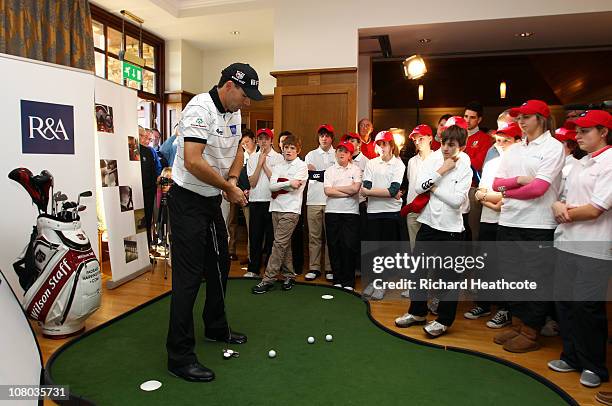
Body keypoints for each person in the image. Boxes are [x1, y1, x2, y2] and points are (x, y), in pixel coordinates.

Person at [166, 62, 262, 382]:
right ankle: (179, 356)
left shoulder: (233, 112)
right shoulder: (199, 108)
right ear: (229, 86)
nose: (247, 102)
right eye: (245, 94)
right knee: (189, 278)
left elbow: (237, 149)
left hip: (210, 200)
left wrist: (232, 178)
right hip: (187, 202)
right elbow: (193, 161)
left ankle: (216, 327)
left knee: (220, 264)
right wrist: (228, 189)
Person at [491, 99, 564, 353]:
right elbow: (496, 184)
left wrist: (509, 191)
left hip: (538, 224)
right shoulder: (514, 150)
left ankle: (531, 332)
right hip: (509, 220)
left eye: (526, 117)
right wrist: (519, 181)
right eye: (518, 117)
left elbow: (539, 188)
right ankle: (519, 324)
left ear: (541, 119)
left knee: (535, 279)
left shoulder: (554, 147)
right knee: (511, 277)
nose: (520, 121)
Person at [548, 110, 612, 388]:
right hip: (566, 242)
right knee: (565, 303)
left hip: (594, 246)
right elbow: (558, 199)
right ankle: (571, 357)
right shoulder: (578, 163)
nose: (578, 136)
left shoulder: (610, 161)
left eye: (585, 131)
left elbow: (597, 208)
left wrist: (565, 212)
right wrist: (559, 207)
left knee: (587, 307)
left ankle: (594, 366)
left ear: (604, 132)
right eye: (577, 131)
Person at [394, 117, 472, 338]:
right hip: (428, 224)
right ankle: (417, 312)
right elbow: (419, 187)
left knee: (449, 278)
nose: (446, 148)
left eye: (452, 145)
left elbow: (458, 201)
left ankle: (444, 321)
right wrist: (441, 170)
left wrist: (435, 188)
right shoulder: (435, 158)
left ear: (461, 146)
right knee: (417, 271)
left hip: (452, 230)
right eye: (444, 143)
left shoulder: (465, 163)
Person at [463, 121, 522, 328]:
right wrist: (489, 198)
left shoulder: (518, 163)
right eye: (499, 139)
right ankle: (483, 303)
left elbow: (506, 197)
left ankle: (506, 309)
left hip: (506, 221)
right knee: (486, 263)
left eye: (506, 140)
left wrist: (489, 198)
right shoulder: (492, 161)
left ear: (518, 141)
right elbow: (481, 191)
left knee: (505, 267)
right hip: (488, 218)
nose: (501, 143)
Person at [252, 134, 308, 294]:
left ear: (298, 150)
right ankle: (290, 275)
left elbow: (294, 187)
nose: (288, 151)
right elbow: (272, 186)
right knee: (284, 244)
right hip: (275, 208)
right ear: (282, 149)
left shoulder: (301, 166)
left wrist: (283, 184)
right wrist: (288, 182)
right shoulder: (278, 165)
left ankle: (268, 279)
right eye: (286, 148)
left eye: (292, 148)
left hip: (291, 210)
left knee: (278, 244)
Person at [361, 131, 406, 300]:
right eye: (379, 144)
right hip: (373, 211)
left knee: (387, 251)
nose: (381, 148)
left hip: (391, 212)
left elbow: (393, 190)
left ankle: (382, 283)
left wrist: (382, 192)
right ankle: (375, 280)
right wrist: (385, 192)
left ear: (391, 146)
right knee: (374, 250)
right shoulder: (371, 164)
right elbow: (365, 189)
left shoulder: (398, 165)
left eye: (385, 144)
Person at [244, 128, 283, 278]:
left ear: (271, 141)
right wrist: (259, 162)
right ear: (257, 141)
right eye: (260, 139)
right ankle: (253, 269)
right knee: (255, 237)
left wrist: (264, 163)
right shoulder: (252, 158)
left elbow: (276, 181)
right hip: (255, 201)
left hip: (272, 202)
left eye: (266, 139)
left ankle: (269, 269)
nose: (263, 141)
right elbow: (252, 182)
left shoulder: (278, 158)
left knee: (271, 238)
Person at [324, 140, 362, 289]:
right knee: (334, 246)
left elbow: (355, 190)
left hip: (350, 213)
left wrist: (337, 189)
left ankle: (348, 281)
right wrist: (348, 190)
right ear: (336, 153)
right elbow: (328, 191)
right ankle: (337, 280)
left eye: (345, 152)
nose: (341, 153)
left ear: (350, 155)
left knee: (349, 246)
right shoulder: (329, 171)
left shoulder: (356, 170)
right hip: (332, 212)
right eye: (339, 150)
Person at [304, 124, 335, 282]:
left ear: (331, 138)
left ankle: (330, 268)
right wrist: (326, 175)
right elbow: (310, 175)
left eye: (327, 135)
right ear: (318, 137)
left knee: (330, 237)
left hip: (332, 201)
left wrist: (319, 174)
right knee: (314, 236)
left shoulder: (338, 154)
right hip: (313, 200)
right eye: (322, 135)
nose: (324, 138)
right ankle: (314, 267)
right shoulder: (310, 155)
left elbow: (334, 178)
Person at [463, 102, 494, 241]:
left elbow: (477, 164)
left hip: (472, 188)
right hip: (453, 188)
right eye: (465, 116)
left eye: (472, 117)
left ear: (479, 119)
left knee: (472, 229)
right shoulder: (458, 136)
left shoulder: (485, 139)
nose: (467, 120)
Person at [404, 124, 434, 250]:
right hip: (413, 207)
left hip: (431, 209)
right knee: (414, 246)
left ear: (430, 138)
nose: (417, 142)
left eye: (421, 138)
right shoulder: (412, 161)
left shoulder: (437, 159)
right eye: (415, 139)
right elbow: (412, 182)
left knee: (430, 248)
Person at [139, 126, 158, 248]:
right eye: (141, 136)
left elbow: (154, 172)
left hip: (148, 193)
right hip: (132, 192)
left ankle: (147, 246)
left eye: (146, 137)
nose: (143, 139)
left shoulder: (149, 152)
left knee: (146, 220)